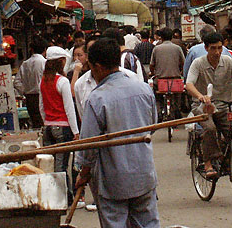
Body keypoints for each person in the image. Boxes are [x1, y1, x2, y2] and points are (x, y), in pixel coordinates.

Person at [75, 38, 160, 228]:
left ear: (97, 66)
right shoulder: (144, 89)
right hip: (143, 173)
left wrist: (84, 173)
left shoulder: (97, 99)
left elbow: (89, 145)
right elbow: (152, 126)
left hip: (113, 180)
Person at [185, 31, 232, 179]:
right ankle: (208, 163)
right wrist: (200, 96)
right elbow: (189, 84)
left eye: (219, 48)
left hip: (224, 106)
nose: (217, 52)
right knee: (210, 128)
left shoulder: (228, 61)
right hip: (203, 107)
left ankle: (226, 162)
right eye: (213, 48)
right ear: (206, 48)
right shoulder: (198, 63)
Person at [40, 45, 79, 204]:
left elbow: (41, 106)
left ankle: (54, 196)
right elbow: (69, 108)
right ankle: (64, 198)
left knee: (50, 165)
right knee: (61, 166)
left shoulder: (43, 80)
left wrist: (46, 121)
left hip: (48, 127)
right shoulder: (62, 81)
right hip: (62, 127)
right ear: (61, 62)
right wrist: (75, 130)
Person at [13, 37, 47, 128]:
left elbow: (16, 82)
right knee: (44, 123)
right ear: (45, 50)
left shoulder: (25, 63)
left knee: (35, 124)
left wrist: (24, 91)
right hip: (42, 96)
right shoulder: (44, 62)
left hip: (30, 98)